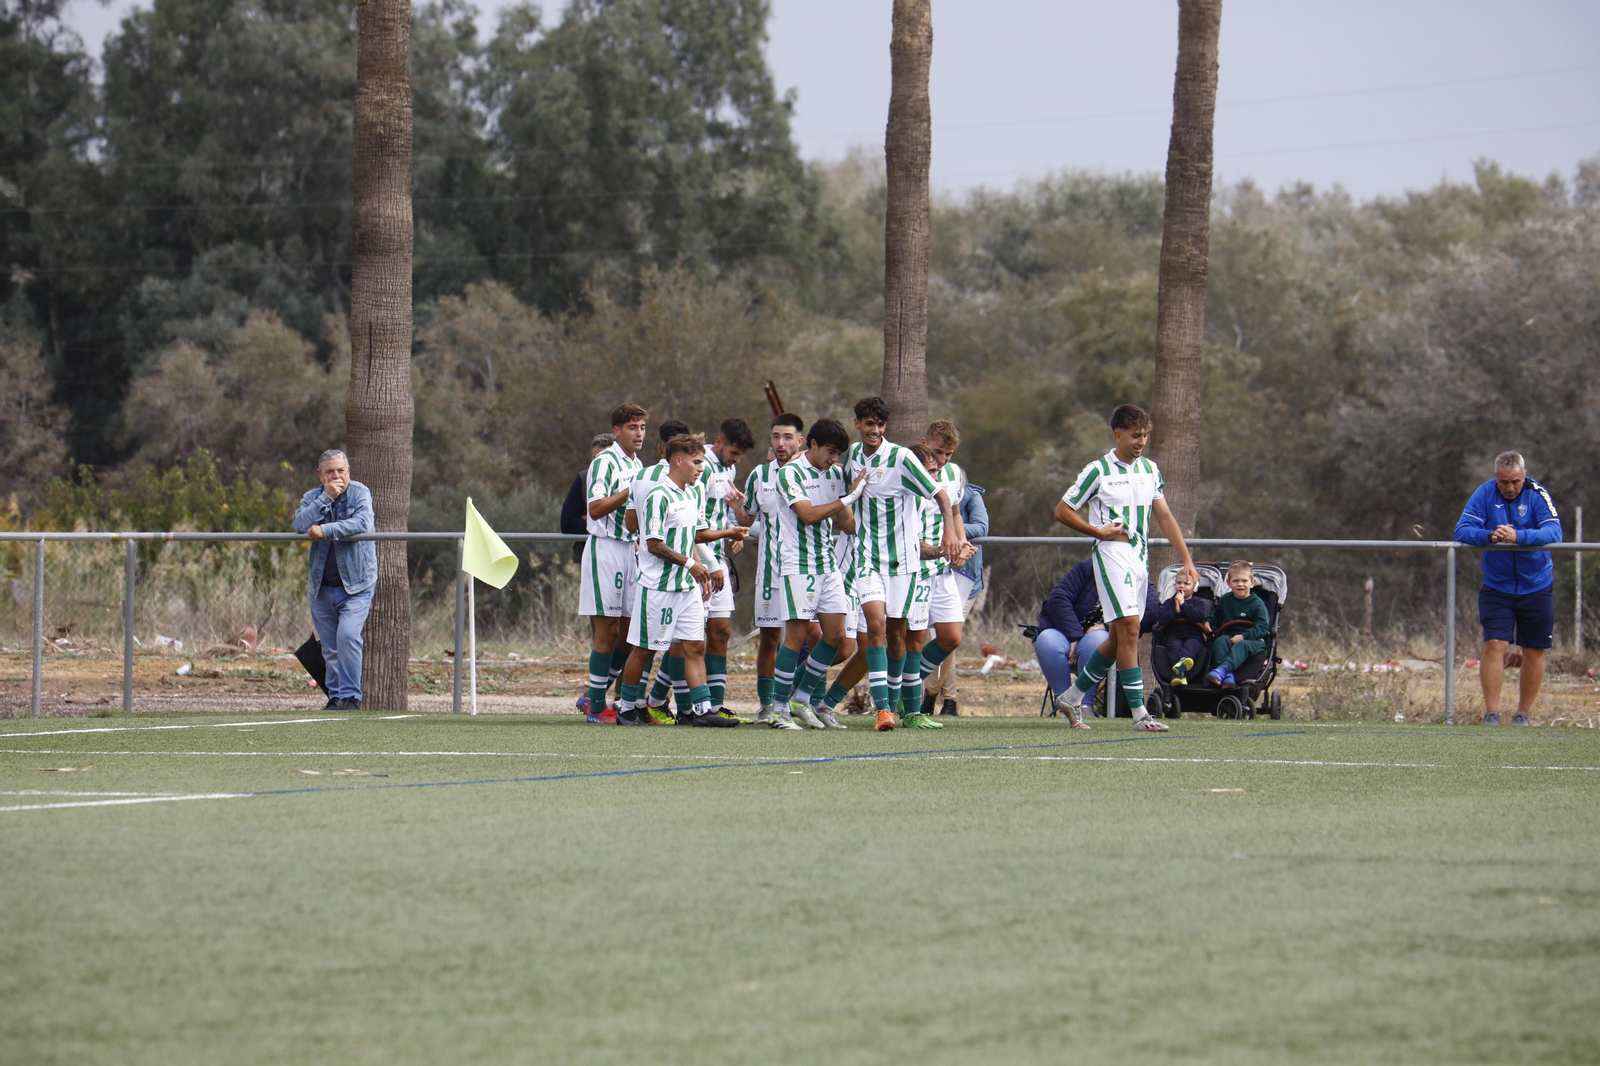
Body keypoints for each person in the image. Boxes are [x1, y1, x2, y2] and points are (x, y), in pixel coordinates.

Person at [1053, 404, 1198, 732]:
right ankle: (1140, 714)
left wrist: (1187, 560)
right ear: (1117, 435)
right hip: (1111, 555)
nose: (1141, 441)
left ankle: (1071, 698)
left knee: (1119, 637)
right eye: (1135, 435)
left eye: (1145, 435)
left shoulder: (1150, 469)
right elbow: (1062, 510)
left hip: (1139, 559)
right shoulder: (1097, 470)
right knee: (1130, 627)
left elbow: (1165, 516)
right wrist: (1098, 532)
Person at [824, 397, 960, 731]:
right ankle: (883, 710)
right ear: (858, 424)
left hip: (903, 563)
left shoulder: (901, 458)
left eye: (880, 425)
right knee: (876, 628)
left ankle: (909, 710)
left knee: (898, 635)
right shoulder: (853, 456)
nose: (875, 430)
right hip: (867, 558)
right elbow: (846, 499)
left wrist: (949, 533)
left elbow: (941, 495)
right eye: (869, 424)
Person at [618, 434, 736, 727]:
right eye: (696, 462)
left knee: (694, 647)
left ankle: (702, 711)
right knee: (645, 649)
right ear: (678, 461)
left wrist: (706, 564)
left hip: (687, 588)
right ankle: (626, 709)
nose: (701, 468)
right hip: (658, 587)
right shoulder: (659, 495)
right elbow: (653, 543)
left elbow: (692, 536)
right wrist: (690, 564)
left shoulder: (692, 493)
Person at [1453, 451, 1563, 725]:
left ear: (1524, 477)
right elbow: (1462, 530)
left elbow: (1554, 532)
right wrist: (1489, 535)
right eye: (1504, 482)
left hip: (1536, 584)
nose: (1510, 487)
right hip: (1497, 585)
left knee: (1533, 649)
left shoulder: (1537, 493)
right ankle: (1492, 714)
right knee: (1494, 644)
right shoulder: (1484, 493)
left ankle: (1522, 714)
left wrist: (1519, 536)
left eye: (1515, 482)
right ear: (1495, 478)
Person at [769, 417, 862, 729]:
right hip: (798, 564)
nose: (834, 459)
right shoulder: (790, 473)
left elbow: (847, 525)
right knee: (796, 637)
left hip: (827, 564)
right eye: (830, 452)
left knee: (835, 636)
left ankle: (802, 698)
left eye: (838, 454)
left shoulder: (835, 474)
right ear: (813, 445)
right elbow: (807, 515)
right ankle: (778, 709)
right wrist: (847, 498)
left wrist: (855, 499)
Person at [733, 414, 805, 724]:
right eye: (776, 436)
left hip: (805, 570)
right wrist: (736, 507)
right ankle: (767, 706)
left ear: (800, 441)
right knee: (769, 639)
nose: (780, 443)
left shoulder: (811, 473)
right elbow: (747, 519)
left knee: (816, 636)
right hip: (770, 572)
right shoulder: (759, 476)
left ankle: (802, 699)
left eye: (787, 437)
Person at [578, 403, 647, 723]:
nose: (639, 433)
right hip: (605, 548)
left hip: (630, 549)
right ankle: (595, 707)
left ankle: (592, 695)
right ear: (617, 431)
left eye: (642, 427)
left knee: (629, 631)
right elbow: (595, 508)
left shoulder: (638, 464)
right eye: (632, 427)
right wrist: (629, 491)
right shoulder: (604, 461)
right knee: (607, 629)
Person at [903, 424, 977, 723]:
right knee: (914, 639)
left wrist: (961, 544)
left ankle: (905, 686)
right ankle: (905, 696)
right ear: (924, 442)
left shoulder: (953, 473)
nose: (943, 460)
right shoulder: (909, 469)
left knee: (950, 637)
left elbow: (955, 512)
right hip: (915, 568)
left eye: (948, 454)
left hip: (942, 568)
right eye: (937, 452)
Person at [293, 449, 376, 710]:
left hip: (357, 585)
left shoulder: (360, 493)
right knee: (330, 647)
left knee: (348, 636)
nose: (336, 476)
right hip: (321, 586)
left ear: (348, 471)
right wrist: (326, 498)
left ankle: (351, 697)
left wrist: (325, 530)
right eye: (329, 472)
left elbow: (362, 523)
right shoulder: (312, 497)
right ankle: (336, 697)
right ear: (320, 474)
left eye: (341, 470)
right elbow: (299, 524)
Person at [1034, 558, 1159, 727]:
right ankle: (1064, 703)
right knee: (1046, 640)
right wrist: (1075, 635)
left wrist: (1107, 626)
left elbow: (1150, 612)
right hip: (1066, 633)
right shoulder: (1088, 568)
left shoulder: (1136, 575)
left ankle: (1084, 704)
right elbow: (1058, 598)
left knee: (1097, 640)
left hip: (1098, 637)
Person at [699, 418, 756, 716]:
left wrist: (735, 528)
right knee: (689, 638)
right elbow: (692, 519)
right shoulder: (700, 466)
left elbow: (722, 510)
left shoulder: (729, 469)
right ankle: (662, 702)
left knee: (721, 631)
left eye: (741, 455)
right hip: (697, 559)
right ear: (719, 441)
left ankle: (715, 704)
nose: (736, 460)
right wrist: (708, 562)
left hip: (717, 559)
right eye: (734, 452)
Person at [925, 470, 988, 715]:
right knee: (937, 639)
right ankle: (946, 699)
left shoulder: (971, 496)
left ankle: (933, 695)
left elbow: (981, 527)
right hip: (931, 571)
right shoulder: (922, 490)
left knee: (948, 638)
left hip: (965, 577)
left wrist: (948, 530)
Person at [1204, 562, 1270, 687]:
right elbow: (1217, 616)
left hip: (1254, 640)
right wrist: (1208, 621)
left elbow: (1262, 627)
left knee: (1242, 645)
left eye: (1244, 581)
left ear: (1252, 583)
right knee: (1220, 641)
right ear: (1229, 583)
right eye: (1236, 581)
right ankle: (1228, 676)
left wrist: (1243, 636)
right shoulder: (1225, 600)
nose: (1240, 584)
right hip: (1231, 636)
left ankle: (1223, 669)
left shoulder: (1257, 604)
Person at [562, 433, 615, 563]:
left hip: (624, 556)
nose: (598, 464)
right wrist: (614, 525)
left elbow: (635, 523)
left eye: (603, 458)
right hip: (589, 556)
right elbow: (567, 524)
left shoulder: (630, 477)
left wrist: (590, 519)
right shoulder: (583, 479)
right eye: (594, 458)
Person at [1155, 569, 1213, 685]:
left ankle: (1182, 663)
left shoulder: (1198, 603)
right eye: (1179, 583)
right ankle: (1179, 674)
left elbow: (1197, 616)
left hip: (1193, 635)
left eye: (1186, 583)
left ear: (1195, 588)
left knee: (1191, 645)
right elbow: (1161, 618)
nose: (1181, 586)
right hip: (1174, 634)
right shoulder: (1169, 603)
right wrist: (1175, 612)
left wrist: (1183, 605)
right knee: (1174, 646)